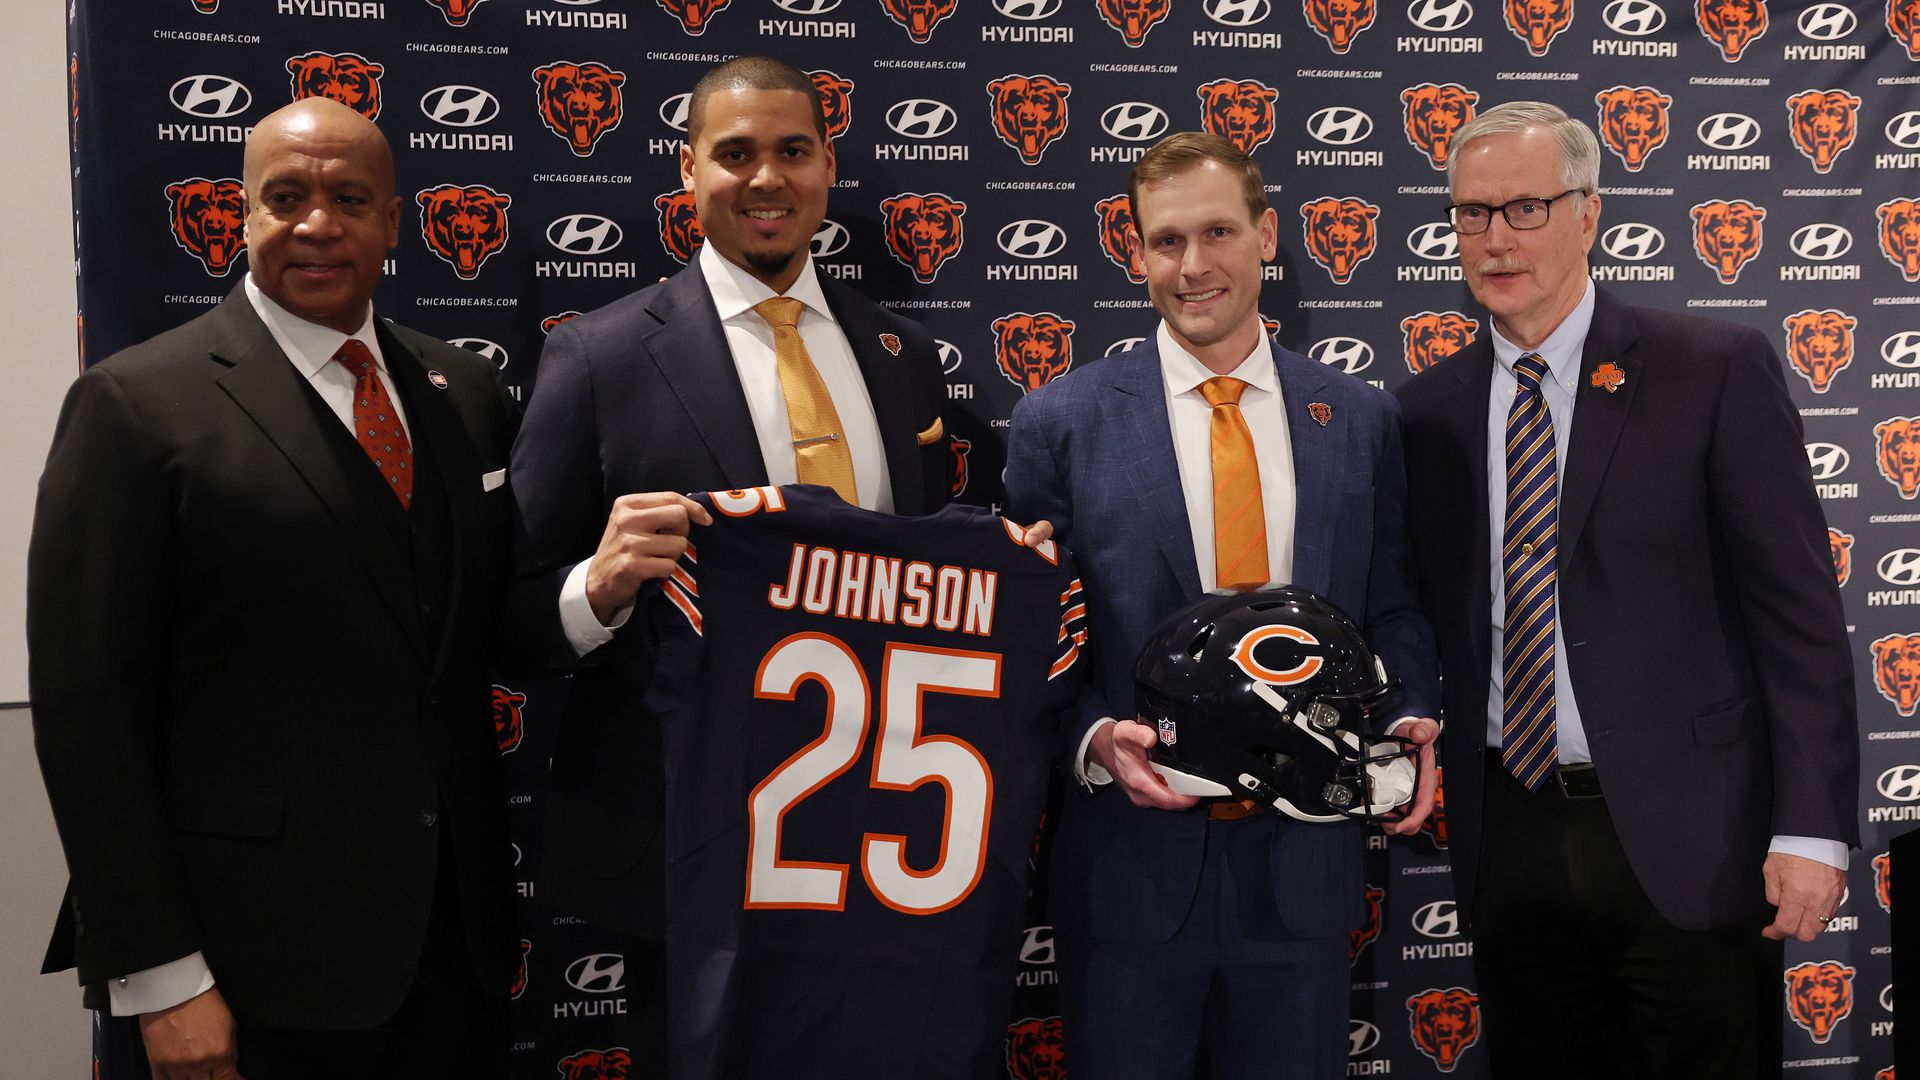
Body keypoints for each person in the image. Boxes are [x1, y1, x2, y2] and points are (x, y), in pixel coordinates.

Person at [29, 97, 519, 1078]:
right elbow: (90, 719)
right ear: (243, 213)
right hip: (244, 974)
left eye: (349, 197)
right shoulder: (134, 406)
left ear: (392, 219)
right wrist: (162, 978)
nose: (317, 224)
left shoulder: (462, 391)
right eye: (284, 196)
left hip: (448, 960)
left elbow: (479, 632)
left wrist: (604, 588)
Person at [1396, 100, 1857, 1078]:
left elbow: (1800, 622)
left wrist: (1812, 827)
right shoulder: (1425, 410)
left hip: (1693, 837)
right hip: (1510, 833)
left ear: (1589, 214)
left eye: (1524, 208)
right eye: (1470, 215)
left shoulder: (1712, 370)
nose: (1495, 238)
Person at [1001, 131, 1441, 1078]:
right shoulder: (1060, 423)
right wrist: (1090, 739)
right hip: (1127, 872)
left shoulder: (1359, 418)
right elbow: (1032, 635)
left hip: (1306, 871)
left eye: (1218, 232)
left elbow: (1392, 602)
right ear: (1134, 252)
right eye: (1165, 241)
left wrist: (1408, 711)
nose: (1193, 266)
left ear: (1267, 235)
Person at [504, 54, 953, 947]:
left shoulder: (901, 358)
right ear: (690, 168)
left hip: (878, 838)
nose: (766, 179)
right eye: (736, 152)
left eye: (794, 150)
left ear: (829, 165)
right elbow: (509, 617)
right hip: (682, 844)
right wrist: (595, 590)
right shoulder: (600, 358)